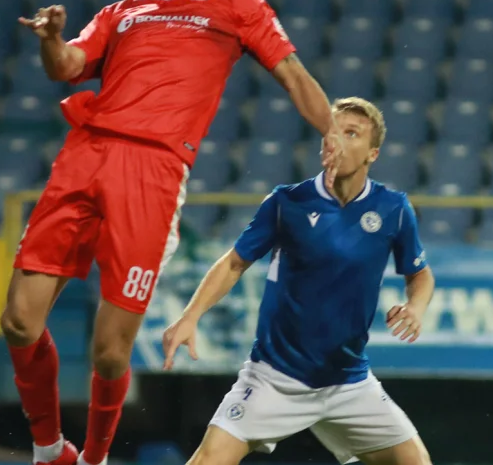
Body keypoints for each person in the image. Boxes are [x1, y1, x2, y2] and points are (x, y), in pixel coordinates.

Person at [1, 0, 344, 465]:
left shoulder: (234, 2)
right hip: (86, 153)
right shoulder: (122, 12)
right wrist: (51, 37)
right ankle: (49, 449)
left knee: (110, 351)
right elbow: (66, 66)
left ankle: (94, 459)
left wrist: (335, 140)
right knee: (19, 320)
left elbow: (293, 76)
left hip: (153, 170)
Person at [161, 97, 435, 465]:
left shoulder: (393, 209)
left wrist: (416, 306)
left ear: (373, 154)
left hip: (348, 382)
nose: (336, 139)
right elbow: (233, 263)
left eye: (351, 133)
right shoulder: (287, 202)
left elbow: (419, 274)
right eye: (331, 131)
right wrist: (191, 315)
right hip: (275, 377)